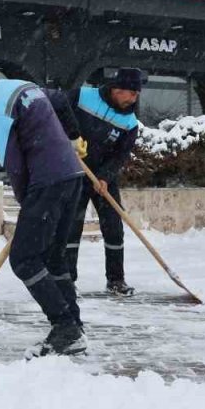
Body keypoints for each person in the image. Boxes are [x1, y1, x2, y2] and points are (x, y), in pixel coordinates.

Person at [0, 59, 87, 357]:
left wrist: (29, 204)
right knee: (53, 257)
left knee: (24, 259)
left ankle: (65, 327)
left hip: (47, 179)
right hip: (72, 176)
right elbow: (62, 100)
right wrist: (73, 136)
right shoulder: (23, 86)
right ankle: (73, 327)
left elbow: (13, 162)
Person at [48, 68, 144, 296]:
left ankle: (116, 280)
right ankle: (67, 279)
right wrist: (63, 142)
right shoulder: (81, 96)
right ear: (117, 90)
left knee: (114, 228)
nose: (133, 100)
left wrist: (104, 177)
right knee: (71, 227)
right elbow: (55, 115)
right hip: (74, 172)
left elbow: (121, 155)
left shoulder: (130, 122)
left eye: (136, 96)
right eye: (130, 94)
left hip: (103, 178)